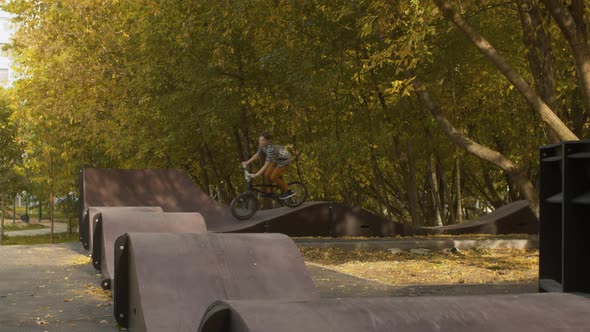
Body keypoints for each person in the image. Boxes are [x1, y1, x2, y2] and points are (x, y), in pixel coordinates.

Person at [242, 132, 295, 199]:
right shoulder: (262, 146)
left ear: (268, 141)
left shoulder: (271, 149)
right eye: (260, 140)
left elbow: (266, 165)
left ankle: (288, 191)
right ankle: (269, 192)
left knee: (273, 177)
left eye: (263, 140)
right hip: (276, 159)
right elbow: (257, 155)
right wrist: (247, 162)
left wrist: (256, 174)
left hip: (284, 160)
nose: (260, 142)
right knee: (266, 175)